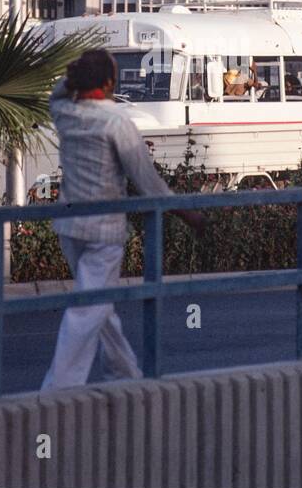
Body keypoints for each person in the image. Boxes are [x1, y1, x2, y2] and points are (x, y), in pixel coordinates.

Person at [42, 50, 205, 391]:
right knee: (87, 309)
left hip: (69, 226)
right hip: (104, 231)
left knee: (99, 304)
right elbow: (147, 182)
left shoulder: (64, 113)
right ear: (108, 83)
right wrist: (186, 213)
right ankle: (57, 391)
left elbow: (57, 94)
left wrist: (70, 76)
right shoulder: (117, 123)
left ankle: (125, 373)